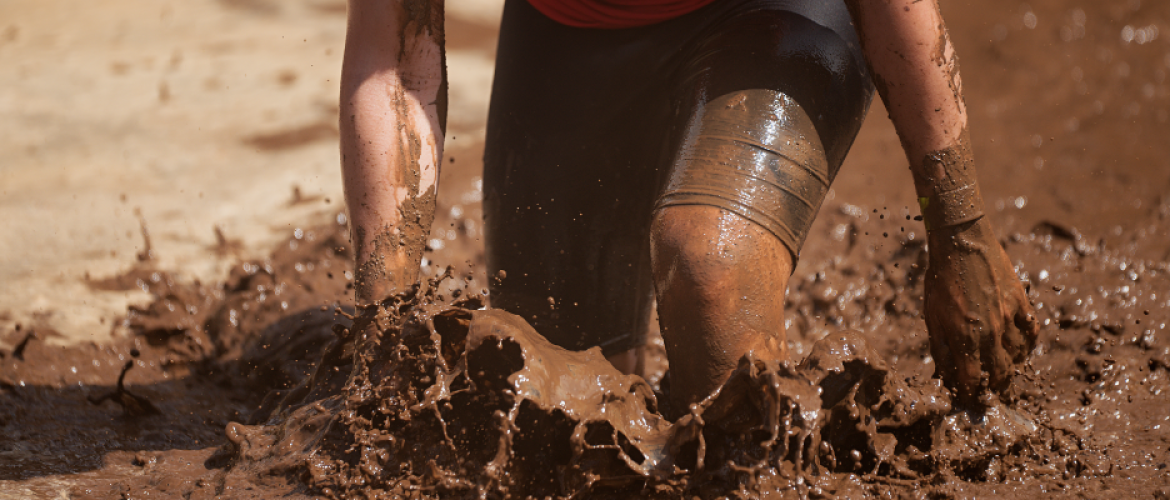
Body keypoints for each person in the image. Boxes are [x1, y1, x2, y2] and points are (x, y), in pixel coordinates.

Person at [338, 0, 1039, 410]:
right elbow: (394, 65)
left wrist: (961, 229)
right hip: (569, 29)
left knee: (709, 267)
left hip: (773, 15)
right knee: (549, 399)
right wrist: (385, 311)